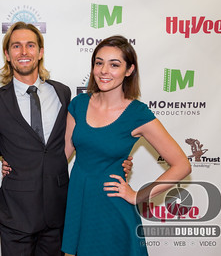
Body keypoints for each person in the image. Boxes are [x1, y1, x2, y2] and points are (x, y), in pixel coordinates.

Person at [0, 22, 132, 256]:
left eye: (30, 45)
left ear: (40, 52)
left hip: (59, 212)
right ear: (7, 55)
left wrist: (116, 159)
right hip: (15, 213)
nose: (24, 52)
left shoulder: (63, 93)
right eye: (16, 46)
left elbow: (81, 139)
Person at [61, 35, 191, 256]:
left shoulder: (137, 114)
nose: (104, 70)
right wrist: (18, 165)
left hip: (112, 207)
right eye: (99, 62)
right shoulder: (78, 104)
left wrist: (137, 195)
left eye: (114, 64)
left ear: (129, 70)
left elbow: (182, 165)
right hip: (79, 201)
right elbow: (60, 156)